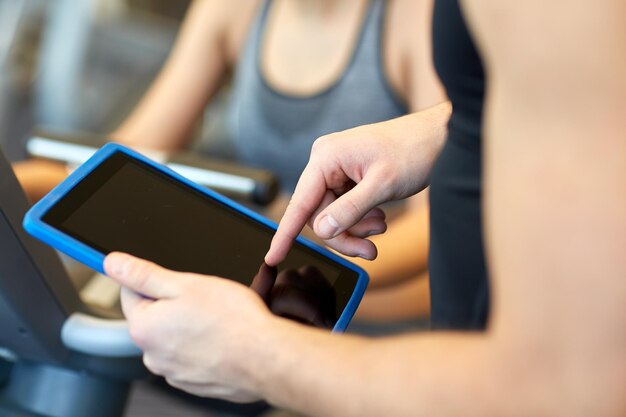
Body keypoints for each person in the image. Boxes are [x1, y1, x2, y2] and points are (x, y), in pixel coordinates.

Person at [103, 0, 626, 415]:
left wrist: (259, 355)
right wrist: (440, 130)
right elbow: (541, 93)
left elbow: (573, 391)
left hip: (413, 338)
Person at [16, 0, 444, 322]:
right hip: (266, 278)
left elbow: (437, 227)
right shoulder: (234, 8)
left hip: (374, 292)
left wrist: (301, 271)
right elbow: (130, 153)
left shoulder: (414, 20)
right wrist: (21, 181)